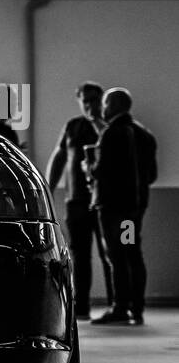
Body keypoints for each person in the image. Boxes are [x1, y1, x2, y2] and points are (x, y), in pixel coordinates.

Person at [88, 88, 158, 326]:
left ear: (115, 105)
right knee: (132, 252)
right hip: (134, 210)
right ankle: (136, 308)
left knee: (117, 256)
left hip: (113, 208)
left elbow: (101, 171)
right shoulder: (145, 135)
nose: (103, 109)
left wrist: (88, 167)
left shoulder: (111, 134)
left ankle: (120, 307)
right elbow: (152, 175)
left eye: (106, 104)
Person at [45, 82, 112, 319]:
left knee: (110, 253)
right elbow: (59, 157)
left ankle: (117, 305)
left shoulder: (111, 128)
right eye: (85, 100)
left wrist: (97, 121)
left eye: (94, 100)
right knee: (79, 254)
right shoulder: (73, 126)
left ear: (101, 101)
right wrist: (48, 189)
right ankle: (81, 306)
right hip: (77, 201)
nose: (89, 105)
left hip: (105, 202)